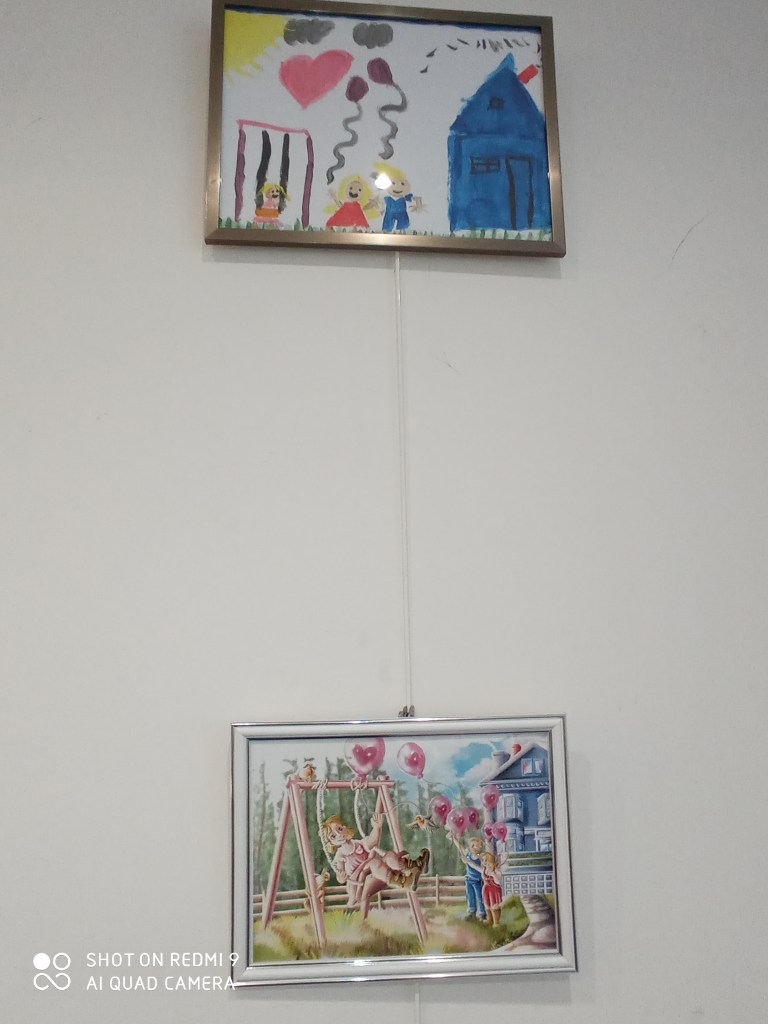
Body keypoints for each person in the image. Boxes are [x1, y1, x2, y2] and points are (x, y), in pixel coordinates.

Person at [322, 813, 429, 917]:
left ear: (344, 828)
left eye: (339, 829)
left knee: (390, 856)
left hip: (375, 875)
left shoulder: (358, 843)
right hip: (359, 886)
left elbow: (371, 842)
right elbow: (340, 876)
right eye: (333, 836)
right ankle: (403, 882)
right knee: (374, 862)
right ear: (331, 843)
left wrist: (376, 828)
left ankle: (414, 867)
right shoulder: (341, 854)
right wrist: (341, 876)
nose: (339, 835)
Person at [451, 835, 487, 922]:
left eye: (476, 845)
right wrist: (454, 838)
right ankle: (472, 912)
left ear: (480, 847)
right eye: (472, 845)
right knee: (470, 896)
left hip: (478, 880)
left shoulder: (481, 857)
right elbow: (460, 847)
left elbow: (480, 868)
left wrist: (468, 861)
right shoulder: (468, 855)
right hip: (469, 879)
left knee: (480, 897)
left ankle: (483, 913)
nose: (474, 847)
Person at [480, 851, 503, 925]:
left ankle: (496, 922)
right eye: (483, 860)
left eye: (486, 860)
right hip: (487, 891)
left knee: (494, 905)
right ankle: (490, 919)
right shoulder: (484, 870)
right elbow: (484, 880)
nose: (485, 862)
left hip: (494, 890)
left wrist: (493, 875)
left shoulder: (495, 871)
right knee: (487, 905)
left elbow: (498, 882)